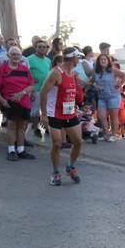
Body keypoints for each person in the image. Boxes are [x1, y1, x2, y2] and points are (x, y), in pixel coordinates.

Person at [39, 47, 85, 185]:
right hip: (54, 114)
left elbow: (72, 92)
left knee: (78, 142)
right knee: (57, 144)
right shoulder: (56, 73)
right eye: (78, 58)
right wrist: (44, 115)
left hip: (70, 113)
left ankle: (70, 167)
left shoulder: (73, 73)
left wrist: (77, 106)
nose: (79, 60)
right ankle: (55, 172)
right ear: (72, 58)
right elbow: (43, 93)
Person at [0, 46, 35, 160]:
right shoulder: (2, 68)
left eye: (18, 54)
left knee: (21, 126)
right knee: (11, 126)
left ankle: (20, 150)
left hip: (24, 102)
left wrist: (21, 93)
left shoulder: (24, 69)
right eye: (13, 54)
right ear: (8, 56)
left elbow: (31, 85)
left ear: (21, 56)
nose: (15, 56)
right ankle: (11, 151)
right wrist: (2, 100)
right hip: (10, 102)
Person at [92, 53, 125, 142]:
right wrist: (95, 85)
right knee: (101, 116)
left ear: (108, 61)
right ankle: (106, 134)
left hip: (113, 96)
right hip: (102, 97)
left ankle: (114, 134)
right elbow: (92, 81)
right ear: (98, 62)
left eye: (105, 59)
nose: (103, 61)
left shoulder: (112, 70)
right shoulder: (96, 72)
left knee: (113, 116)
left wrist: (119, 84)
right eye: (101, 60)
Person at [27, 39, 52, 138]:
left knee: (46, 109)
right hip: (35, 89)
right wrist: (31, 87)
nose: (42, 48)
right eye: (39, 46)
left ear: (47, 49)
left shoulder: (48, 60)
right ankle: (35, 127)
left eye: (44, 47)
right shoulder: (29, 59)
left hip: (47, 89)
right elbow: (26, 73)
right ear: (35, 48)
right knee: (35, 110)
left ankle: (47, 127)